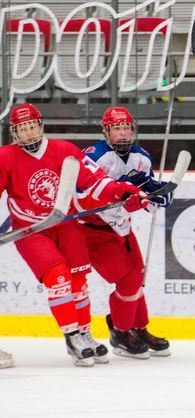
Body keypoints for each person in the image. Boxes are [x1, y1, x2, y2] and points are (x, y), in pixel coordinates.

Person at [0, 103, 149, 367]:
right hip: (32, 230)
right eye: (22, 129)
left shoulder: (64, 151)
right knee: (58, 279)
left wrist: (122, 192)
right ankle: (72, 337)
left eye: (32, 126)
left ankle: (85, 335)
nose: (28, 134)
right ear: (15, 133)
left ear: (40, 125)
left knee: (78, 282)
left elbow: (96, 181)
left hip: (67, 224)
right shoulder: (5, 157)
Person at [75, 106, 172, 360]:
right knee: (127, 281)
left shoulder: (142, 157)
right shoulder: (94, 156)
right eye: (117, 128)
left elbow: (145, 195)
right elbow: (83, 196)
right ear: (106, 132)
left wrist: (157, 196)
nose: (122, 133)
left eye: (126, 127)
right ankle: (119, 331)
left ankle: (139, 329)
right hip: (93, 230)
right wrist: (127, 197)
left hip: (121, 227)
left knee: (137, 278)